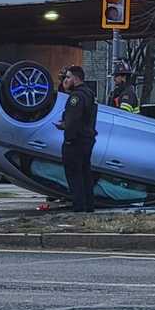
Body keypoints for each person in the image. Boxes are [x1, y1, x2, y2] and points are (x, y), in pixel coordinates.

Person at [56, 65, 98, 213]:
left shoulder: (76, 97)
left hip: (76, 141)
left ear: (76, 78)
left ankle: (79, 206)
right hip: (87, 140)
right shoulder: (89, 94)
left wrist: (66, 132)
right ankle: (88, 205)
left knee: (74, 175)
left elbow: (73, 120)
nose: (65, 81)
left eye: (67, 77)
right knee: (85, 173)